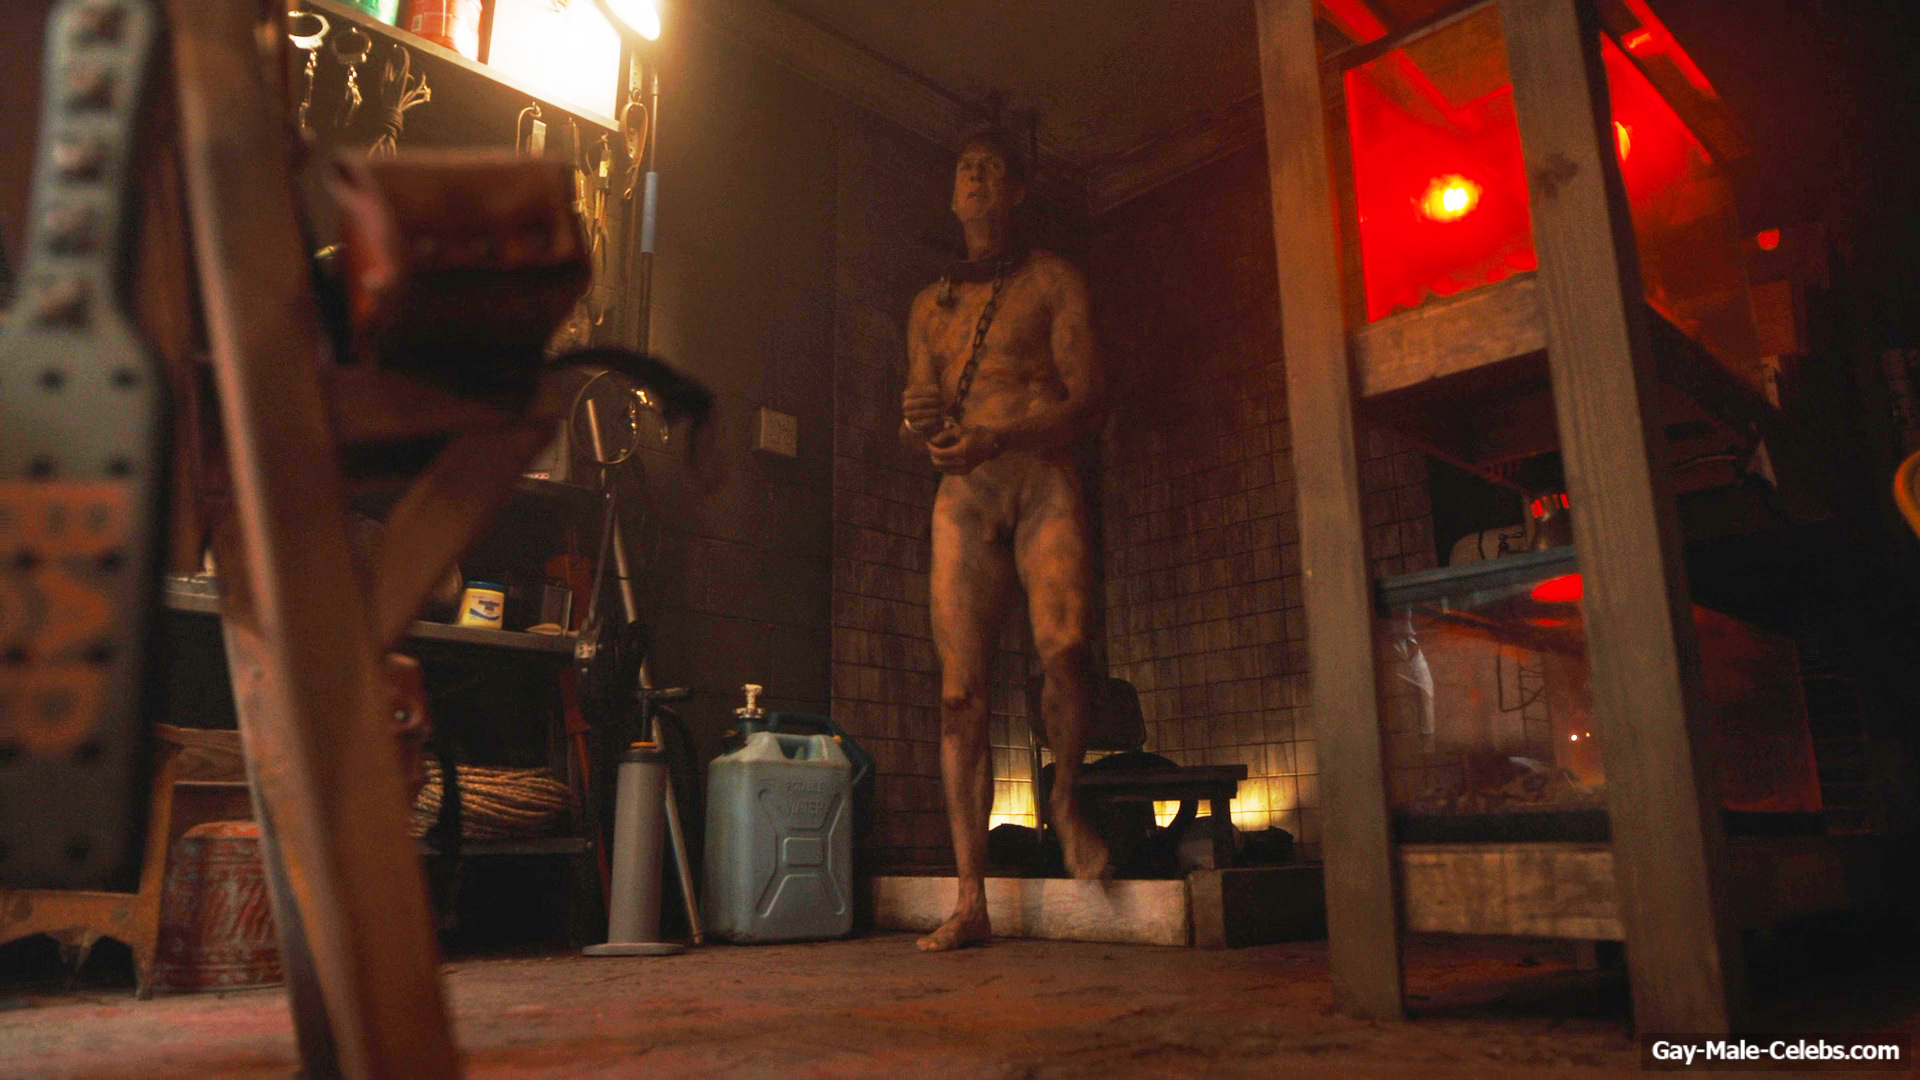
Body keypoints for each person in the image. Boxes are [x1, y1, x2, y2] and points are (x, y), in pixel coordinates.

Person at [900, 128, 1110, 952]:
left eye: (991, 167)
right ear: (952, 196)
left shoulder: (1053, 280)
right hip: (965, 497)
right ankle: (970, 901)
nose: (976, 176)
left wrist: (1002, 437)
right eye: (965, 168)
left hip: (1040, 479)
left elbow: (1089, 399)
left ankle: (1065, 800)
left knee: (1066, 650)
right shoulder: (930, 305)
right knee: (960, 696)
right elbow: (923, 411)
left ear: (1016, 192)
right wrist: (920, 422)